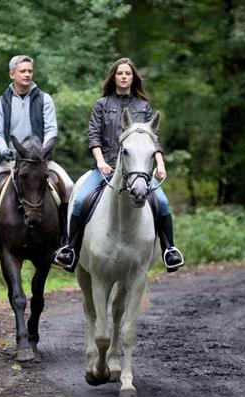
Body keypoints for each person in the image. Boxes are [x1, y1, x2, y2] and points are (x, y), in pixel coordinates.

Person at [53, 57, 184, 273]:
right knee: (78, 203)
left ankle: (169, 250)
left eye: (128, 73)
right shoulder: (101, 105)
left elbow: (155, 140)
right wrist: (101, 161)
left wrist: (159, 163)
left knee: (163, 202)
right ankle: (71, 249)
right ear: (114, 77)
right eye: (120, 73)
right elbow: (93, 136)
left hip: (138, 171)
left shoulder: (144, 107)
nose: (124, 77)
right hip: (105, 169)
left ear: (133, 78)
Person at [0, 55, 73, 257]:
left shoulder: (45, 99)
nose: (27, 74)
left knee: (70, 187)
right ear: (12, 74)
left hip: (40, 160)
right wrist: (4, 150)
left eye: (30, 71)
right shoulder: (0, 103)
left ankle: (65, 242)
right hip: (10, 160)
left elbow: (52, 130)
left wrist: (44, 151)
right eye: (23, 71)